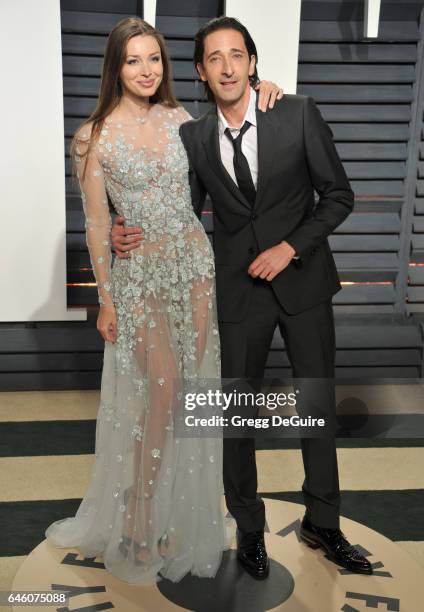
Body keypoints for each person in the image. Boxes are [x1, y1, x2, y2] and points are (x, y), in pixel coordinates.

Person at [112, 16, 373, 579]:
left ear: (253, 64)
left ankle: (322, 523)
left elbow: (339, 195)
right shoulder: (193, 137)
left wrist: (290, 247)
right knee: (233, 417)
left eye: (237, 55)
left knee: (315, 407)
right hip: (233, 292)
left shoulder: (297, 113)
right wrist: (120, 228)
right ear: (202, 73)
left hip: (302, 283)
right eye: (214, 58)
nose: (227, 66)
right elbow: (175, 210)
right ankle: (248, 528)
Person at [45, 17, 281, 584]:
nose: (146, 70)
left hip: (195, 270)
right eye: (133, 61)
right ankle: (139, 518)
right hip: (141, 279)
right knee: (161, 395)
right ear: (115, 69)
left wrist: (268, 88)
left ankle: (181, 511)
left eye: (154, 59)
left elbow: (234, 133)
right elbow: (98, 226)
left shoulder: (184, 121)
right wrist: (107, 300)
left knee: (193, 394)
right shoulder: (92, 137)